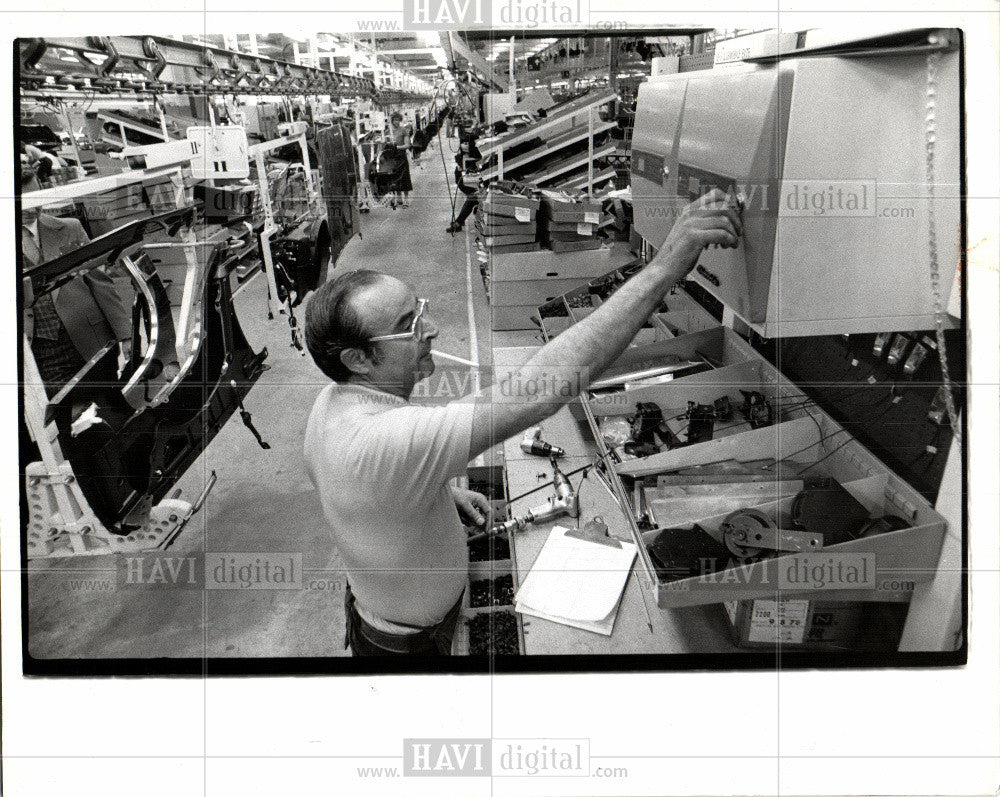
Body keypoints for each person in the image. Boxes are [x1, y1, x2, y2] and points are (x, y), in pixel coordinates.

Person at [303, 189, 741, 656]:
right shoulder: (387, 443)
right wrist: (666, 266)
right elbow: (541, 389)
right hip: (409, 644)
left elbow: (357, 488)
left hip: (383, 605)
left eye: (421, 309)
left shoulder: (332, 404)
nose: (430, 329)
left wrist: (435, 490)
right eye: (408, 325)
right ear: (358, 359)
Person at [21, 170, 133, 398]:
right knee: (67, 415)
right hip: (42, 351)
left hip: (93, 339)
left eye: (37, 197)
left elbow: (100, 282)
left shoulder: (70, 228)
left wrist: (125, 334)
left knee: (112, 406)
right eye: (24, 202)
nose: (33, 208)